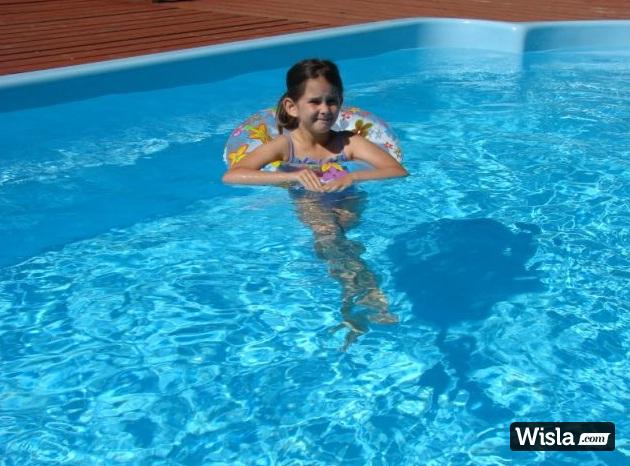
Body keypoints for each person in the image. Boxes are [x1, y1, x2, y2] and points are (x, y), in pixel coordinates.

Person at [222, 59, 408, 350]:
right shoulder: (286, 146)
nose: (325, 109)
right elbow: (233, 175)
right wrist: (293, 176)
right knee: (332, 240)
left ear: (340, 102)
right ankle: (369, 299)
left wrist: (354, 176)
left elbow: (396, 170)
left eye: (332, 101)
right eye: (315, 101)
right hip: (310, 203)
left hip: (348, 201)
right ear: (292, 106)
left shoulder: (347, 143)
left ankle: (352, 307)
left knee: (341, 246)